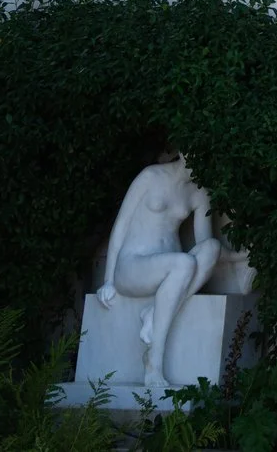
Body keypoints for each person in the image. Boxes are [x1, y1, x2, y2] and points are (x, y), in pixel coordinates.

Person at [95, 152, 222, 389]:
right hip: (133, 266)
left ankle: (155, 312)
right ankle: (154, 361)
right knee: (183, 263)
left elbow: (204, 243)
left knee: (212, 249)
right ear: (183, 152)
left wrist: (242, 257)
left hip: (170, 268)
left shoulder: (199, 192)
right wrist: (108, 279)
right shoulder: (151, 176)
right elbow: (121, 226)